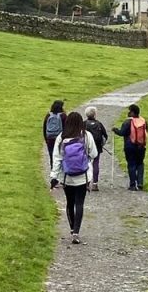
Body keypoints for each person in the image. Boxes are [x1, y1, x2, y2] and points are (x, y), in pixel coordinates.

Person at [50, 112, 98, 244]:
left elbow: (57, 158)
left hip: (67, 176)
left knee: (70, 203)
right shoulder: (87, 135)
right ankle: (76, 232)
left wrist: (54, 176)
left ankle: (71, 229)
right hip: (83, 175)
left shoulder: (62, 136)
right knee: (79, 203)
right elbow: (94, 153)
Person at [112, 104, 148, 191]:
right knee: (140, 164)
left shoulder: (128, 122)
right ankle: (140, 183)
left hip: (130, 146)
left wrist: (115, 130)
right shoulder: (144, 121)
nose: (128, 113)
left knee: (131, 164)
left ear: (132, 112)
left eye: (129, 111)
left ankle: (132, 185)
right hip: (141, 146)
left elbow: (122, 133)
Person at [83, 106, 109, 191]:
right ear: (95, 114)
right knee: (96, 164)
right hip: (97, 146)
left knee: (86, 163)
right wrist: (102, 144)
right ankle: (95, 183)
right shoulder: (99, 124)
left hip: (85, 147)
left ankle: (86, 183)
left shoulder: (84, 124)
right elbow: (105, 136)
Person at [43, 100, 66, 168]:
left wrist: (46, 139)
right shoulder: (63, 116)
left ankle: (53, 171)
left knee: (52, 155)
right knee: (61, 155)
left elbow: (44, 128)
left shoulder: (48, 115)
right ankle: (61, 171)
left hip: (50, 138)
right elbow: (66, 128)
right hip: (60, 138)